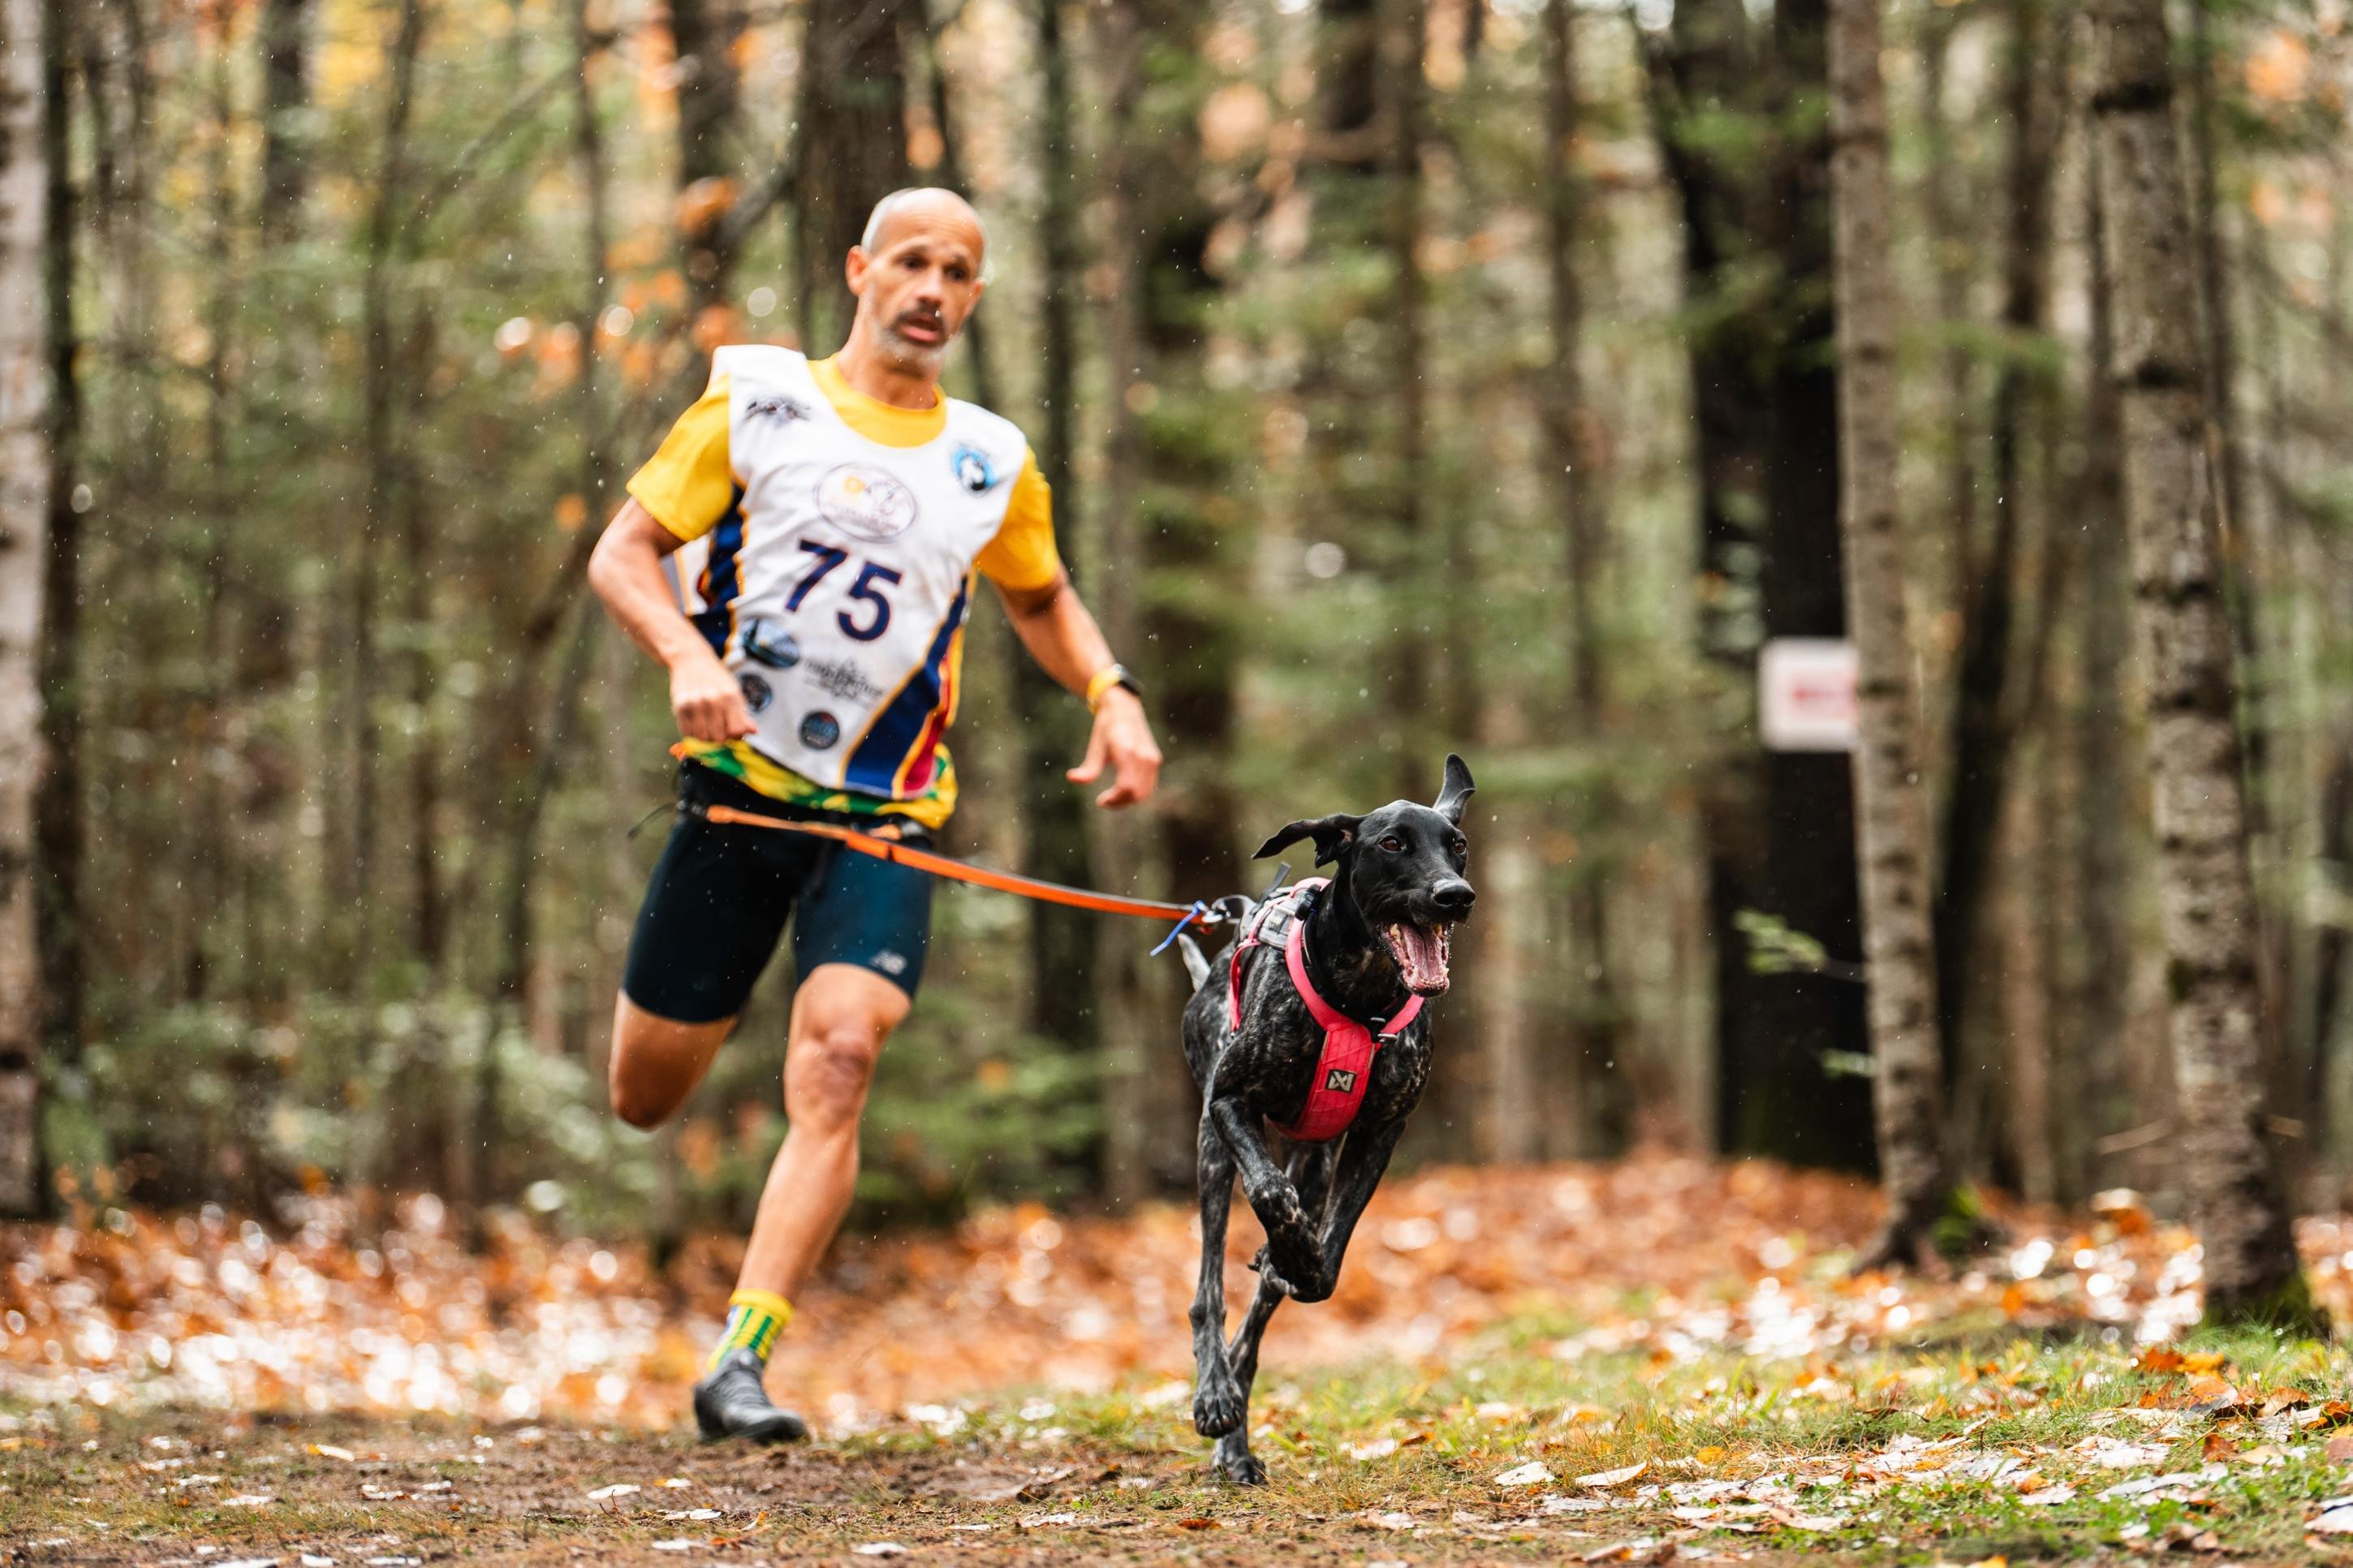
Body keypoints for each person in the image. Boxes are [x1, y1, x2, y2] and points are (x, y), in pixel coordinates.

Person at [586, 187, 1161, 1442]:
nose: (933, 290)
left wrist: (1111, 692)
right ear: (859, 269)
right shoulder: (758, 402)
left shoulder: (991, 460)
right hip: (737, 803)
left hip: (886, 818)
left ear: (975, 295)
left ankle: (743, 1360)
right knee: (643, 1094)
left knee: (841, 1055)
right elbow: (622, 552)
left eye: (958, 272)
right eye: (913, 262)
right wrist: (687, 656)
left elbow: (1041, 598)